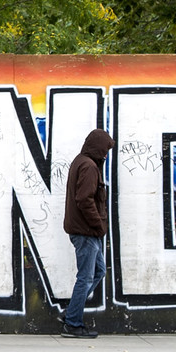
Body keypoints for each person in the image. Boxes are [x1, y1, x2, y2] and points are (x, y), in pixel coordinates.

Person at [61, 128, 113, 339]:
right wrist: (99, 225)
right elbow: (84, 200)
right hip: (86, 232)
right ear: (97, 146)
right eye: (105, 149)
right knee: (85, 277)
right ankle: (73, 323)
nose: (106, 154)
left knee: (99, 271)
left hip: (85, 231)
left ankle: (71, 313)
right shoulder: (89, 166)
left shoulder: (80, 161)